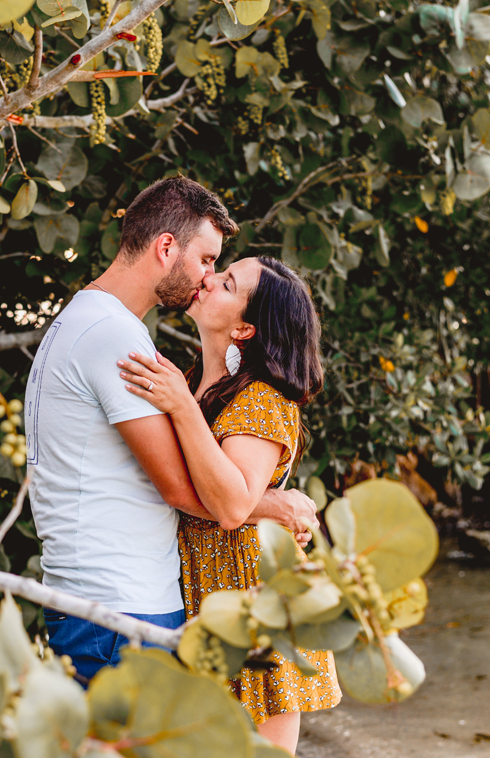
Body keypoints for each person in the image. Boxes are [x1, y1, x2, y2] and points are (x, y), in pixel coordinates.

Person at [24, 177, 318, 686]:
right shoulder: (116, 337)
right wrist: (274, 505)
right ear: (166, 247)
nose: (207, 276)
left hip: (103, 602)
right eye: (207, 260)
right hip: (119, 606)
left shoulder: (87, 318)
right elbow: (182, 487)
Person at [117, 255, 340, 755]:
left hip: (251, 603)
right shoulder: (198, 382)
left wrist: (178, 406)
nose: (207, 278)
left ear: (244, 328)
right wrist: (277, 504)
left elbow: (232, 504)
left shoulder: (261, 398)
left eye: (226, 282)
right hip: (200, 595)